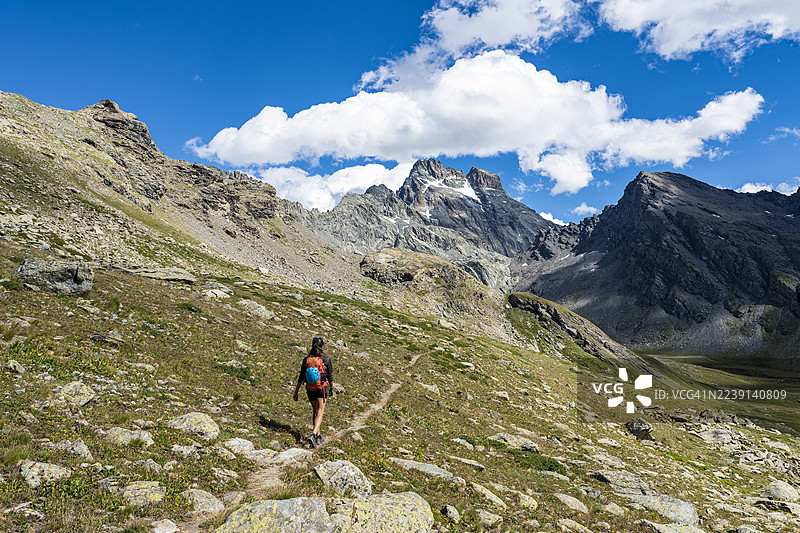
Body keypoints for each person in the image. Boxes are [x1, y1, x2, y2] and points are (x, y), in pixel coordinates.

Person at [293, 336, 333, 447]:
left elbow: (301, 377)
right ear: (322, 346)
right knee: (320, 411)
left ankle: (318, 437)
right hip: (321, 388)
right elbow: (330, 376)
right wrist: (332, 388)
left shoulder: (306, 360)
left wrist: (296, 391)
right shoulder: (326, 359)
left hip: (310, 388)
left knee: (315, 411)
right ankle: (314, 433)